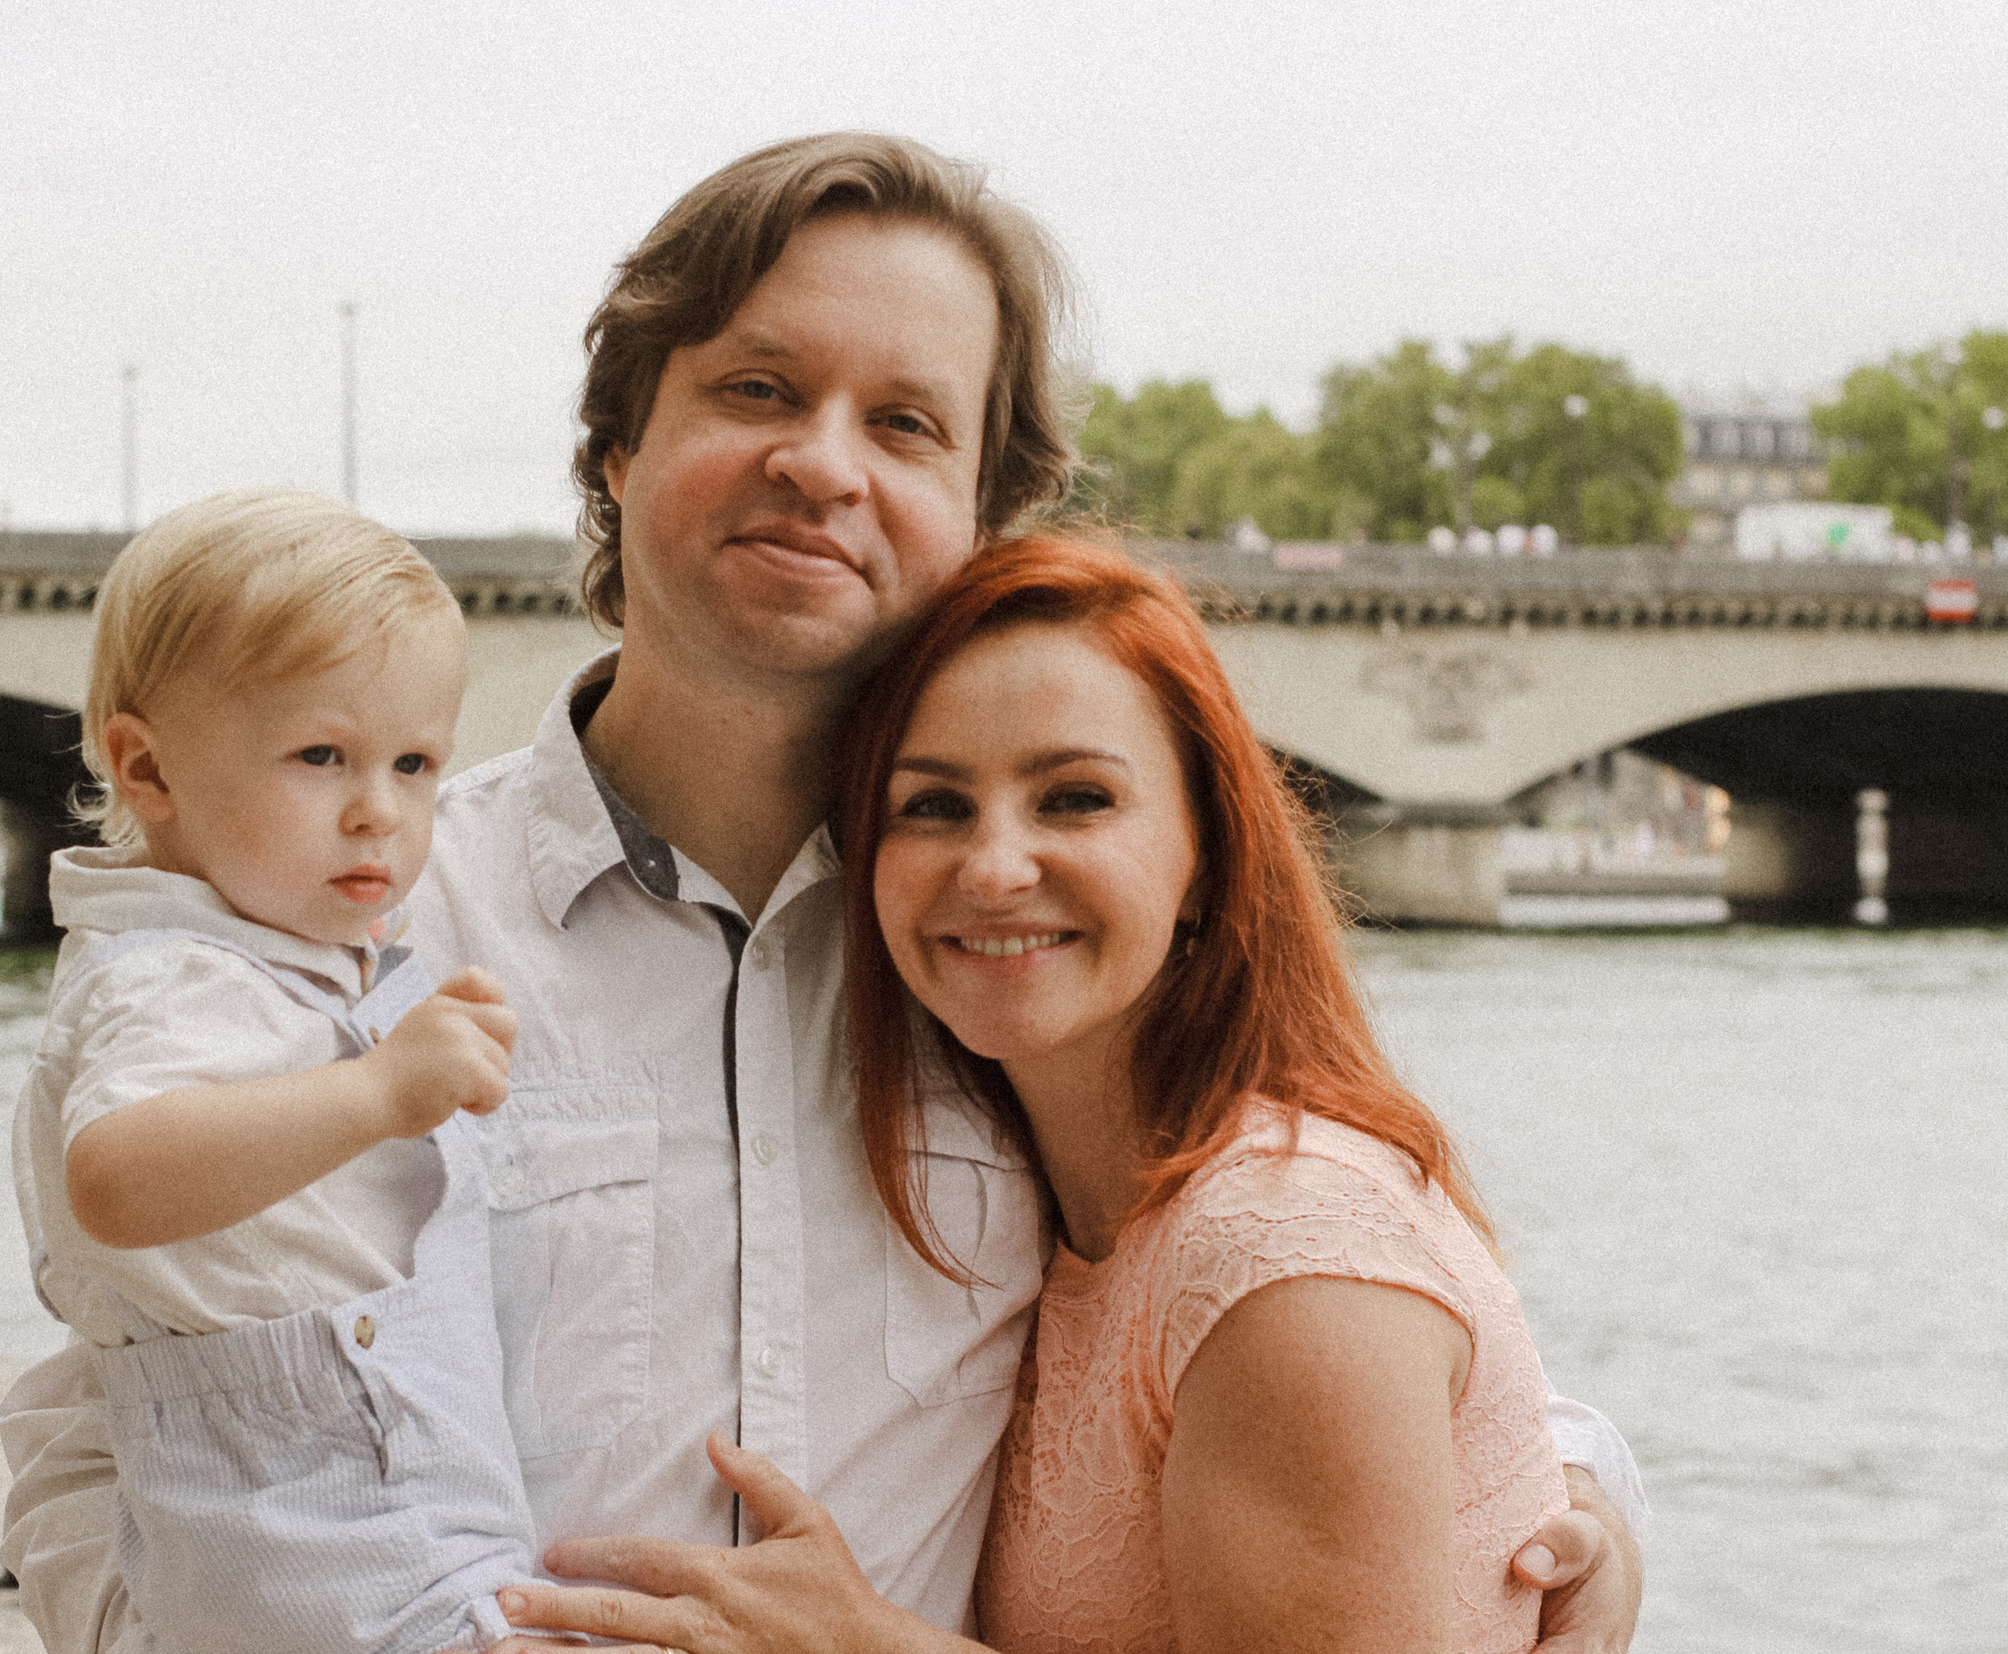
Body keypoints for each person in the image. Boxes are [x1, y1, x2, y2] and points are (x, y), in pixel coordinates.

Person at [0, 133, 1645, 1653]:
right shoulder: (357, 924)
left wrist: (1574, 1495)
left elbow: (1275, 1253)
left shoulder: (1008, 949)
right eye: (759, 388)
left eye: (907, 421)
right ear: (620, 444)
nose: (823, 464)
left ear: (982, 517)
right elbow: (122, 1411)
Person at [498, 536, 1573, 1652]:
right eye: (931, 808)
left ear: (1205, 852)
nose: (995, 866)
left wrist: (867, 1645)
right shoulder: (1061, 1213)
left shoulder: (1283, 1250)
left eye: (1073, 799)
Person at [11, 488, 541, 1653]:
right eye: (321, 756)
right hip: (312, 1532)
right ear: (147, 772)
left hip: (373, 1520)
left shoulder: (290, 956)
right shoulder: (170, 977)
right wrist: (379, 1092)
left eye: (414, 764)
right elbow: (118, 1174)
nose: (378, 813)